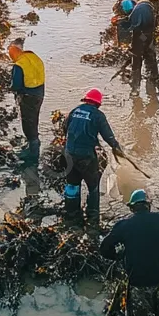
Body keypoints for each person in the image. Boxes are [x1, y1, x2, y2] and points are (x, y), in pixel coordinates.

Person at [63, 88, 125, 222]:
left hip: (69, 154)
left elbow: (64, 127)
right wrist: (117, 149)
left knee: (72, 184)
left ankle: (71, 213)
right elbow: (108, 136)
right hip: (86, 156)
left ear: (85, 99)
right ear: (98, 103)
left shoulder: (74, 111)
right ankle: (92, 217)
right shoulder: (98, 116)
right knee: (93, 187)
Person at [9, 38, 45, 166]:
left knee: (28, 123)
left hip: (27, 97)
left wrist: (10, 88)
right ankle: (32, 144)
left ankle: (32, 153)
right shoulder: (35, 58)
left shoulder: (19, 65)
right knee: (34, 119)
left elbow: (16, 85)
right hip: (39, 94)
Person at [122, 0, 158, 80]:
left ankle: (135, 77)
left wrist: (122, 24)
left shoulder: (136, 11)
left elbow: (133, 26)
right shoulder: (148, 8)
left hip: (141, 35)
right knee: (150, 53)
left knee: (136, 55)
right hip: (149, 33)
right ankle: (153, 75)